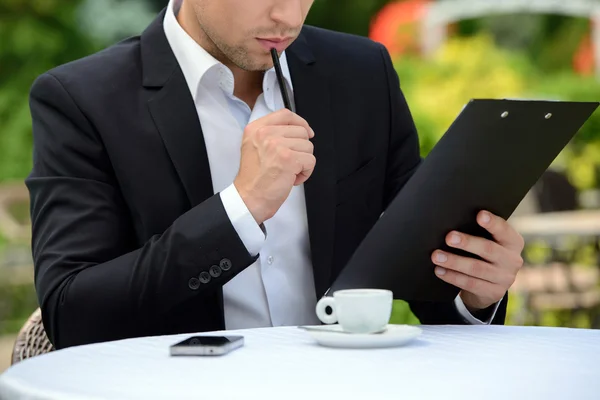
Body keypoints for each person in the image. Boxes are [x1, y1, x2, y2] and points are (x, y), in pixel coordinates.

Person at [27, 0, 524, 349]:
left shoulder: (362, 73)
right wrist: (239, 209)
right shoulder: (81, 100)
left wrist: (475, 291)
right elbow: (73, 312)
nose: (288, 16)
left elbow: (421, 278)